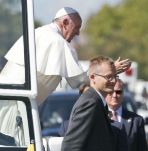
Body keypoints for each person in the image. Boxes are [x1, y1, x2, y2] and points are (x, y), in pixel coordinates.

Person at [0, 7, 131, 105]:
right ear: (66, 22)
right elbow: (80, 81)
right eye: (77, 27)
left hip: (8, 97)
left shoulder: (37, 32)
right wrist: (111, 69)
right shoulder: (58, 42)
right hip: (16, 105)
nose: (78, 33)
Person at [59, 55, 118, 151]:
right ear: (92, 78)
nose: (113, 81)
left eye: (115, 77)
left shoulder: (96, 101)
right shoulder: (90, 103)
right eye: (108, 77)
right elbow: (71, 146)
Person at [105, 78, 148, 151]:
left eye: (119, 92)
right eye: (111, 91)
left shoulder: (136, 120)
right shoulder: (98, 118)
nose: (115, 95)